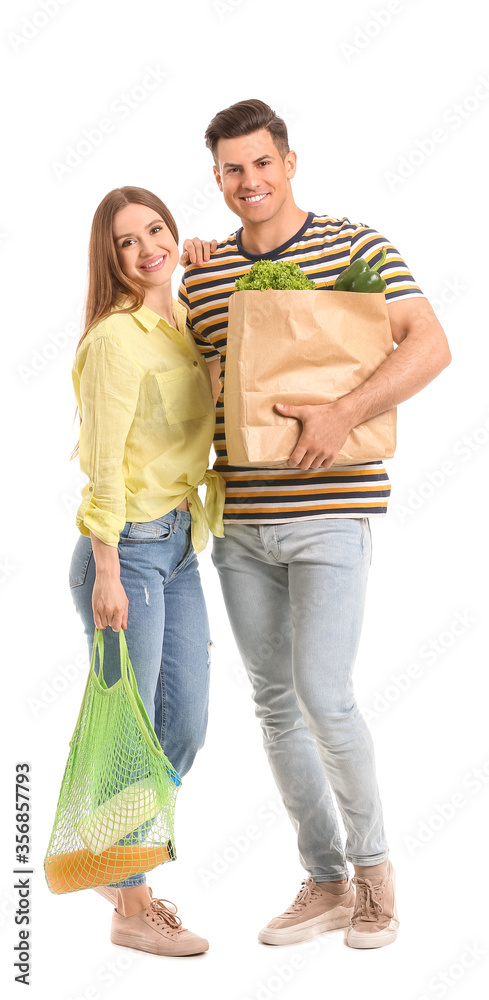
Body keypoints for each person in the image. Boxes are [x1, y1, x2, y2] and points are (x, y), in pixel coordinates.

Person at [179, 99, 451, 949]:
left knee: (324, 696)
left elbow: (430, 343)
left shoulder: (355, 246)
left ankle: (376, 884)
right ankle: (325, 881)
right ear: (217, 177)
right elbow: (195, 380)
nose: (248, 182)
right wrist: (171, 271)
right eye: (231, 169)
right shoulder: (207, 274)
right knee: (272, 703)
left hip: (331, 512)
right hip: (240, 522)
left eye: (261, 163)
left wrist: (341, 412)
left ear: (289, 163)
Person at [69, 186, 224, 957]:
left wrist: (204, 271)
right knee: (134, 731)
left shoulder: (183, 322)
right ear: (110, 258)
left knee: (185, 720)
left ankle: (108, 851)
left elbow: (217, 396)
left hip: (179, 546)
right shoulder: (114, 339)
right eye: (126, 242)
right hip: (123, 550)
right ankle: (132, 907)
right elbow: (101, 463)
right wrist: (104, 569)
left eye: (156, 230)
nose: (146, 248)